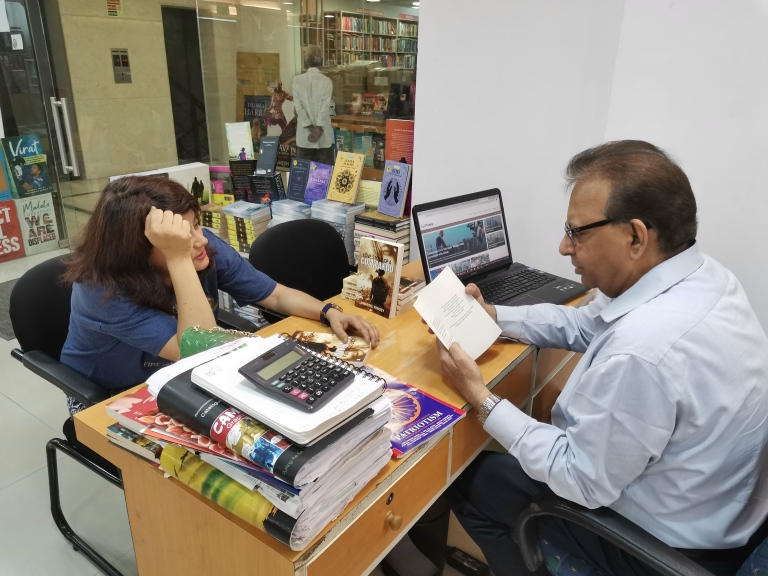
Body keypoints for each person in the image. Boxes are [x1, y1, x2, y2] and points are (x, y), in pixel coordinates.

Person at [438, 140, 768, 576]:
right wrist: (495, 316)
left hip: (661, 550)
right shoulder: (704, 276)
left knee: (473, 482)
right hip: (723, 513)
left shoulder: (645, 349)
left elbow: (579, 479)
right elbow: (585, 324)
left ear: (635, 236)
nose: (562, 246)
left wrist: (481, 397)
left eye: (577, 232)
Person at [60, 176, 379, 420]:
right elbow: (198, 350)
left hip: (179, 373)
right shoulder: (98, 291)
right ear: (136, 250)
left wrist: (329, 311)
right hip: (108, 393)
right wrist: (178, 257)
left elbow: (277, 295)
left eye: (196, 225)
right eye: (181, 236)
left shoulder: (201, 246)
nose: (199, 241)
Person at [291, 45, 334, 166]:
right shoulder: (327, 81)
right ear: (322, 60)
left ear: (305, 60)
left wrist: (311, 129)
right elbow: (324, 108)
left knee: (303, 177)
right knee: (324, 177)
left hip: (305, 137)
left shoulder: (296, 81)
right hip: (323, 137)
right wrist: (318, 129)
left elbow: (299, 108)